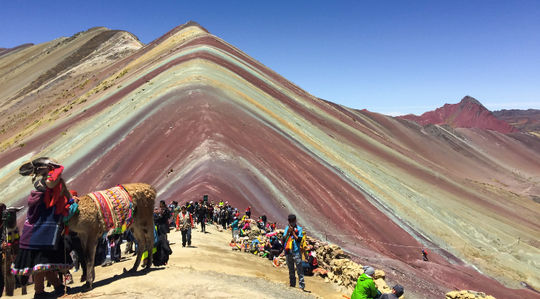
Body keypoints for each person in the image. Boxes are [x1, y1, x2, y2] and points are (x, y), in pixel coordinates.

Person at [12, 158, 72, 298]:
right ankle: (39, 292)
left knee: (44, 262)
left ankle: (57, 287)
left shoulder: (47, 183)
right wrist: (56, 171)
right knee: (40, 262)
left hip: (43, 229)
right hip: (38, 231)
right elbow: (51, 184)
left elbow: (62, 192)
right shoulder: (43, 183)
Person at [283, 214, 305, 290]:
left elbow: (299, 239)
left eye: (293, 221)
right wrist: (288, 232)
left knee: (299, 269)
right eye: (290, 221)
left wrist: (293, 233)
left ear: (295, 221)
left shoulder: (299, 229)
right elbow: (283, 238)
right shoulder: (287, 228)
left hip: (296, 252)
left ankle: (301, 286)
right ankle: (292, 284)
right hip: (289, 251)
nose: (292, 222)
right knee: (291, 269)